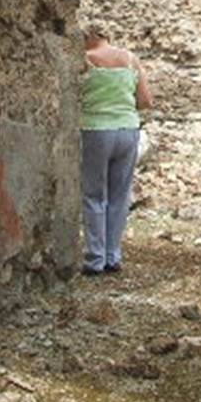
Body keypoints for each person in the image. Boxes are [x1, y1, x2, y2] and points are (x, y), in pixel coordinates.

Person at [79, 20, 153, 276]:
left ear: (87, 37)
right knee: (120, 196)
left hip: (95, 130)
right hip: (128, 131)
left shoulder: (85, 59)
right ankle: (113, 255)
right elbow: (146, 100)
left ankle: (95, 259)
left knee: (93, 195)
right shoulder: (131, 59)